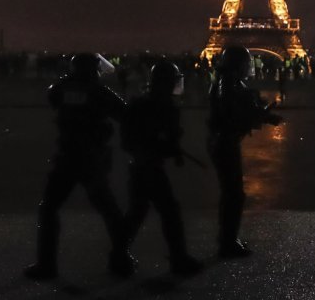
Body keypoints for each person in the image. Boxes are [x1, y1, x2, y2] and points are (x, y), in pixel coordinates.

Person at [24, 53, 136, 280]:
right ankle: (121, 259)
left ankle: (46, 265)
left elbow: (52, 97)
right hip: (93, 158)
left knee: (49, 209)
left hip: (67, 156)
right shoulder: (99, 92)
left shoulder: (64, 88)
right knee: (109, 210)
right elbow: (124, 114)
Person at [121, 60, 203, 276]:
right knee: (169, 212)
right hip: (149, 166)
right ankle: (178, 258)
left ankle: (118, 256)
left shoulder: (140, 103)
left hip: (139, 165)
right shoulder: (165, 107)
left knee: (137, 212)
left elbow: (129, 138)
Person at [207, 46, 283, 258]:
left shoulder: (225, 81)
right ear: (238, 64)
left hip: (222, 141)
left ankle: (227, 239)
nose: (247, 68)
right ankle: (227, 243)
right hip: (225, 142)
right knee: (234, 194)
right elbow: (233, 112)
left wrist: (264, 116)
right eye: (245, 64)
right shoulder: (228, 84)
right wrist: (261, 116)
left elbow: (237, 110)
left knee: (231, 193)